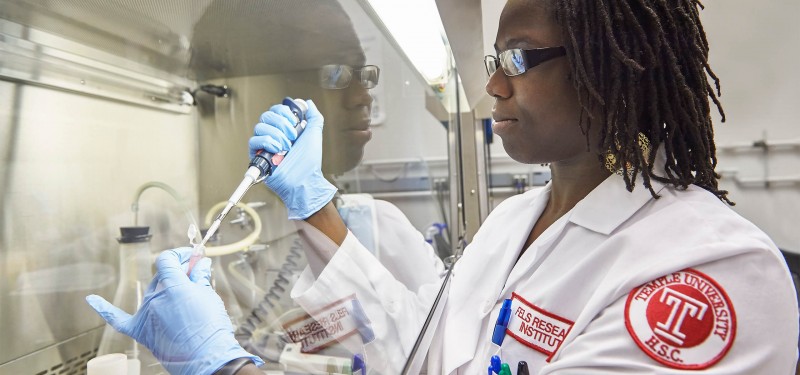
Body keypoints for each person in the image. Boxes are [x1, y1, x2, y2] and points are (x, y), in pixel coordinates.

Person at [88, 0, 799, 374]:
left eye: (519, 58)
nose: (492, 84)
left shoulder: (710, 274)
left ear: (620, 66)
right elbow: (418, 354)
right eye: (494, 58)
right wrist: (313, 204)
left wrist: (223, 368)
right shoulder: (513, 222)